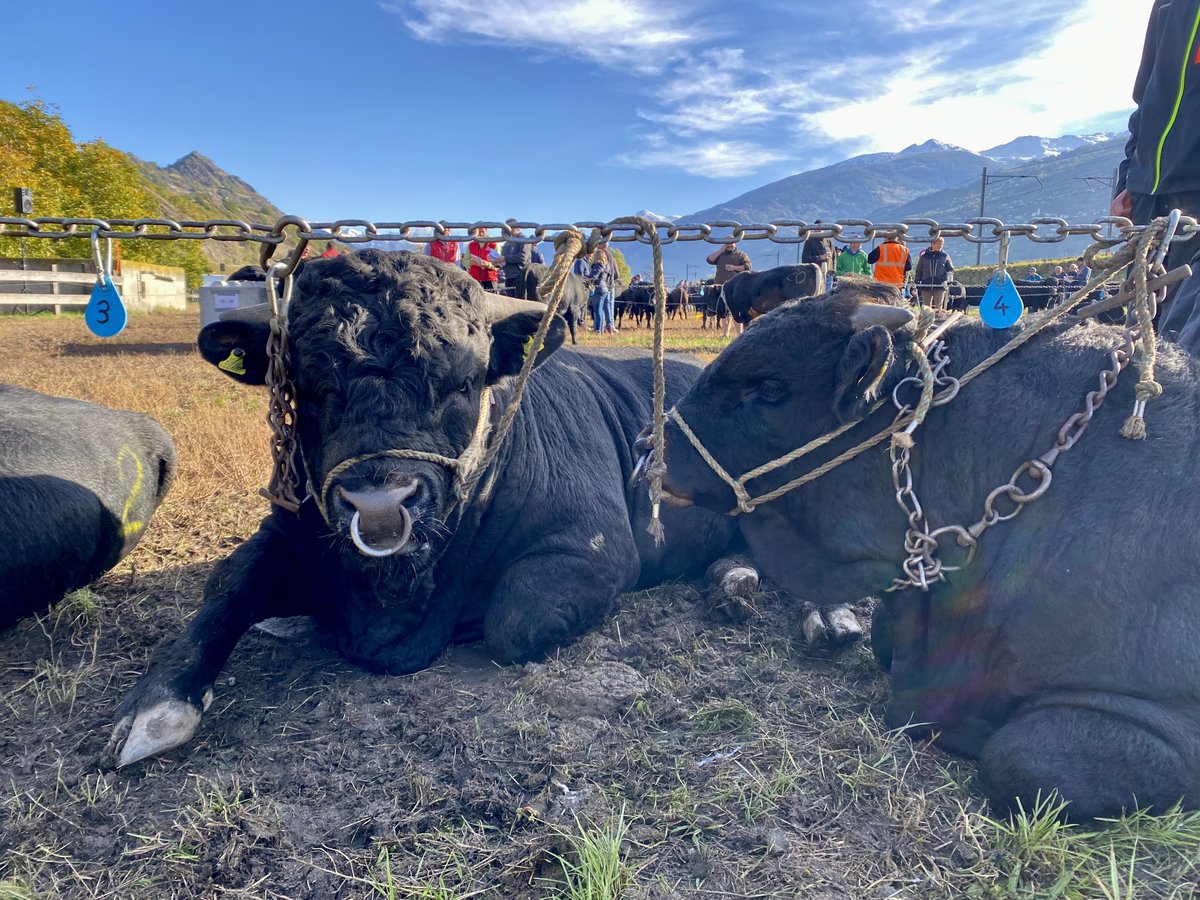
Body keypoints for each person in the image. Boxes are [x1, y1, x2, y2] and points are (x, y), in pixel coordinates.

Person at [1112, 0, 1200, 349]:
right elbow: (1145, 97)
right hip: (1151, 193)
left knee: (1185, 352)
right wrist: (1128, 179)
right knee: (1145, 336)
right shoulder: (1168, 3)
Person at [705, 241, 752, 336]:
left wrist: (734, 267)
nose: (729, 246)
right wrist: (720, 250)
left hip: (735, 288)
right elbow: (709, 259)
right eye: (727, 244)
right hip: (720, 287)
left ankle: (740, 334)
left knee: (736, 312)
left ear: (735, 244)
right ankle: (725, 333)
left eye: (731, 244)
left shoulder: (741, 255)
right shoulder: (720, 255)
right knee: (723, 312)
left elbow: (748, 267)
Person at [913, 236, 954, 309]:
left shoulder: (945, 256)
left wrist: (948, 281)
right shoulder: (924, 257)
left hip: (940, 286)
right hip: (926, 285)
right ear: (932, 244)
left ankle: (938, 319)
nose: (940, 246)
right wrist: (917, 281)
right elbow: (919, 270)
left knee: (938, 307)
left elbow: (950, 270)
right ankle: (926, 319)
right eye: (939, 244)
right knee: (926, 307)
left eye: (942, 244)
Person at [589, 244, 619, 334]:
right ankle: (608, 326)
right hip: (607, 287)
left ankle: (599, 329)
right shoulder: (609, 262)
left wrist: (586, 278)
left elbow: (593, 276)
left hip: (600, 288)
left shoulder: (598, 265)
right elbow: (617, 274)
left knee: (599, 309)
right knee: (607, 307)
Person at [465, 227, 502, 292]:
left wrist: (488, 265)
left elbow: (499, 265)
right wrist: (470, 263)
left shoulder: (494, 244)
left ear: (486, 230)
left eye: (482, 229)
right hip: (474, 279)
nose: (480, 231)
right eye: (478, 229)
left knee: (491, 300)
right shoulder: (470, 245)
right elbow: (465, 260)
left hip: (490, 280)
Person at [501, 221, 532, 299]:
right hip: (508, 277)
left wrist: (505, 258)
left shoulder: (524, 239)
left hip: (520, 276)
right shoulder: (506, 244)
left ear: (518, 228)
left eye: (512, 227)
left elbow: (523, 257)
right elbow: (504, 258)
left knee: (521, 301)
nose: (510, 230)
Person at [802, 221, 832, 290]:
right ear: (814, 228)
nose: (819, 229)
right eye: (817, 227)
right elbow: (805, 259)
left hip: (828, 275)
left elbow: (833, 259)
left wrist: (833, 272)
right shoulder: (809, 242)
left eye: (821, 227)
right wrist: (820, 257)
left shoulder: (828, 242)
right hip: (814, 275)